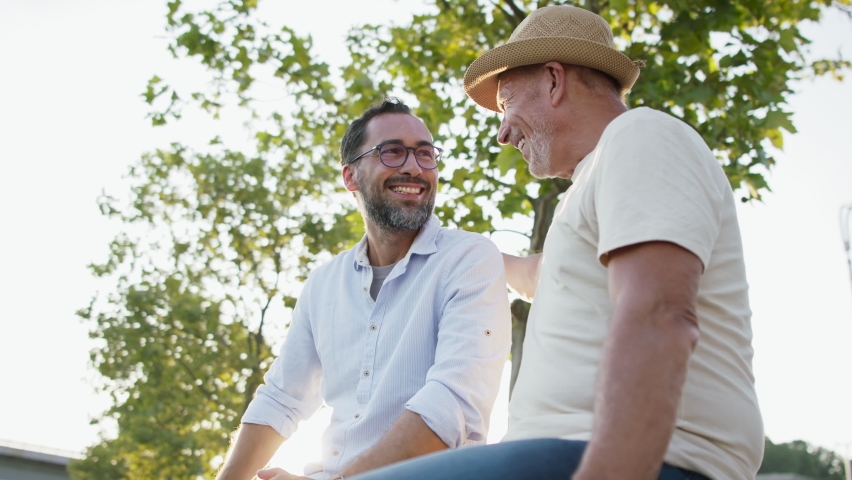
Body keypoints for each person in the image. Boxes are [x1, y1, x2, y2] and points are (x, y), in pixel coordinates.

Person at [349, 5, 763, 480]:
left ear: (553, 80)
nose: (503, 134)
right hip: (558, 455)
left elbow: (660, 313)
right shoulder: (591, 190)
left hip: (629, 460)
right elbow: (538, 275)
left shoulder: (641, 136)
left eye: (506, 106)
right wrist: (439, 246)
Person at [215, 98, 511, 480]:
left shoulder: (470, 259)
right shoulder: (323, 284)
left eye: (425, 154)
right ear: (350, 177)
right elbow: (281, 399)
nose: (413, 166)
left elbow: (452, 401)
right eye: (392, 152)